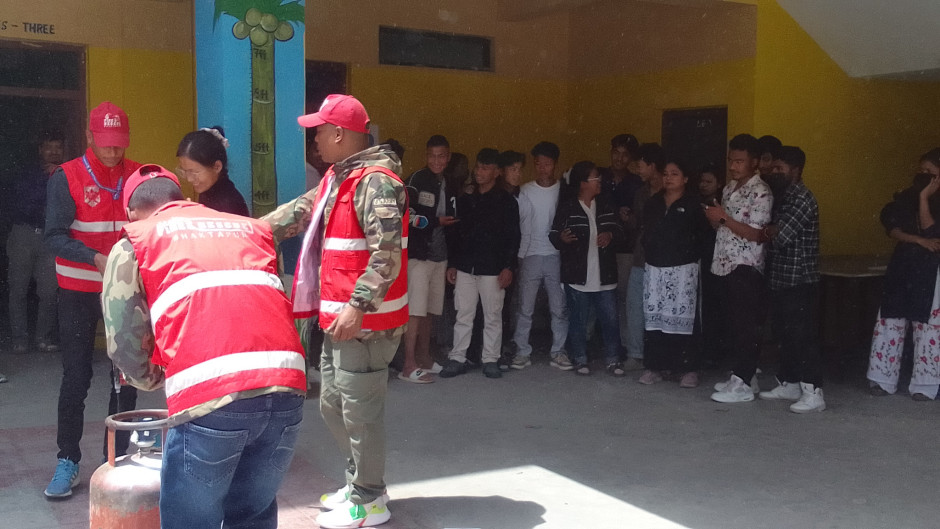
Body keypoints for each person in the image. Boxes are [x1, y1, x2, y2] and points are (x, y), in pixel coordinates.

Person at [103, 165, 306, 528]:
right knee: (253, 514)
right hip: (286, 385)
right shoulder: (248, 228)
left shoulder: (135, 240)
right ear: (183, 199)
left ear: (131, 213)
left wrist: (150, 379)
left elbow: (122, 341)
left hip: (211, 395)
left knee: (191, 521)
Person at [262, 94, 407, 528]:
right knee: (332, 404)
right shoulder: (339, 177)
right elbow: (299, 211)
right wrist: (247, 231)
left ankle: (369, 498)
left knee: (360, 414)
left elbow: (386, 256)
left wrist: (358, 306)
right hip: (338, 320)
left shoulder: (377, 184)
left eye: (319, 132)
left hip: (366, 324)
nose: (315, 141)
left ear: (340, 134)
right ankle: (361, 480)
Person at [43, 101, 141, 498]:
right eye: (105, 143)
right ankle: (67, 460)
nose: (113, 151)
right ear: (89, 137)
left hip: (124, 293)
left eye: (119, 143)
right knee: (76, 375)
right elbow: (53, 237)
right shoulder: (67, 177)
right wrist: (94, 258)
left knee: (126, 376)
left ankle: (116, 459)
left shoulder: (139, 175)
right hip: (78, 292)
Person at [440, 148, 520, 379]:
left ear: (497, 172)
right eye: (478, 167)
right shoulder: (466, 200)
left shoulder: (506, 202)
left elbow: (513, 237)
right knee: (463, 314)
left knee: (492, 316)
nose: (479, 172)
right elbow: (456, 235)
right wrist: (453, 263)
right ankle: (457, 358)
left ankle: (491, 359)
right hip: (466, 266)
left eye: (485, 168)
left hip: (493, 268)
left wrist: (508, 267)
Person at [867, 148, 940, 401]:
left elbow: (932, 233)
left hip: (931, 270)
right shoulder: (905, 197)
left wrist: (924, 199)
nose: (923, 175)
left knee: (927, 326)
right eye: (921, 170)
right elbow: (892, 227)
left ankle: (925, 386)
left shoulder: (924, 197)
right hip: (903, 265)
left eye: (930, 171)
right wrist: (917, 240)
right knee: (891, 320)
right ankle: (882, 380)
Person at [706, 134, 774, 403]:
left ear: (754, 162)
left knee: (746, 326)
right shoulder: (728, 189)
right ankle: (744, 376)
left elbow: (757, 234)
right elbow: (724, 226)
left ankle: (743, 383)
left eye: (739, 161)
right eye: (730, 160)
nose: (733, 166)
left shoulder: (761, 192)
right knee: (733, 325)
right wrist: (715, 220)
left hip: (746, 265)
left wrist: (723, 218)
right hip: (723, 262)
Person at [758, 146, 825, 412]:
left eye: (780, 168)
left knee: (802, 337)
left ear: (795, 170)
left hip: (799, 280)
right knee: (784, 335)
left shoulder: (802, 199)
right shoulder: (783, 196)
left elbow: (781, 236)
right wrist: (769, 230)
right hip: (780, 279)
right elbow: (771, 231)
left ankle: (813, 391)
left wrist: (768, 231)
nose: (774, 172)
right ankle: (790, 383)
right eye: (773, 167)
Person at [550, 161, 624, 375]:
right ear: (583, 183)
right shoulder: (568, 207)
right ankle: (580, 359)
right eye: (595, 178)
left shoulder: (606, 204)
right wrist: (562, 238)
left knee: (610, 320)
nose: (599, 181)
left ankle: (613, 359)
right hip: (577, 276)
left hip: (605, 275)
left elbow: (620, 231)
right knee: (578, 320)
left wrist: (610, 235)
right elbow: (553, 235)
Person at [638, 157, 707, 387]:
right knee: (656, 318)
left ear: (685, 178)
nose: (668, 178)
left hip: (683, 271)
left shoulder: (694, 205)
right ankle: (655, 367)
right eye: (666, 174)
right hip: (655, 269)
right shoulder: (654, 203)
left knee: (683, 319)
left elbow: (703, 237)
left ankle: (687, 369)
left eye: (674, 173)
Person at [401, 134, 457, 383]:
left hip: (440, 255)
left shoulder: (450, 182)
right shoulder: (416, 180)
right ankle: (408, 364)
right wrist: (435, 222)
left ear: (448, 157)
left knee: (430, 311)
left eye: (441, 156)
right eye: (432, 156)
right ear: (426, 156)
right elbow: (406, 215)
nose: (436, 161)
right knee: (415, 310)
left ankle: (424, 357)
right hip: (419, 255)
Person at [511, 142, 570, 371]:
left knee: (559, 307)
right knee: (525, 308)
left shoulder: (563, 191)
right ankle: (522, 352)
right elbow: (519, 225)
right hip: (530, 255)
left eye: (547, 164)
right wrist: (520, 256)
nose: (542, 168)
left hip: (556, 255)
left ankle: (559, 351)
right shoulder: (525, 190)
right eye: (538, 164)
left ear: (555, 164)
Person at [8, 129, 63, 354]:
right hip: (24, 232)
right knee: (18, 289)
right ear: (40, 149)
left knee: (49, 291)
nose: (54, 152)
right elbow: (26, 203)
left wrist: (58, 175)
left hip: (51, 236)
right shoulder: (27, 172)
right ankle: (19, 340)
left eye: (58, 148)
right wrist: (48, 179)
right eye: (49, 147)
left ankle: (43, 338)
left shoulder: (67, 172)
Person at [623, 143, 666, 371]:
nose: (638, 170)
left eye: (640, 166)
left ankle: (662, 356)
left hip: (666, 259)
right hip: (641, 255)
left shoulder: (671, 190)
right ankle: (635, 354)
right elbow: (637, 224)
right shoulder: (641, 192)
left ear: (652, 165)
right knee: (634, 305)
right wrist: (627, 218)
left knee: (663, 308)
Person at [599, 134, 643, 353]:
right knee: (598, 294)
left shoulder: (636, 183)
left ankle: (624, 344)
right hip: (598, 247)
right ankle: (595, 342)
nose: (619, 158)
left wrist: (629, 217)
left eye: (625, 155)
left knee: (624, 297)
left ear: (631, 159)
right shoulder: (598, 177)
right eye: (616, 152)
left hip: (625, 248)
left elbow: (640, 217)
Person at [176, 127, 250, 216]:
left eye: (194, 172)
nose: (189, 179)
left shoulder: (228, 205)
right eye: (185, 171)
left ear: (217, 167)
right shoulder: (207, 191)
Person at [697, 163, 726, 368]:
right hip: (702, 259)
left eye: (709, 181)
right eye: (702, 181)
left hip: (720, 259)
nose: (704, 185)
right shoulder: (695, 203)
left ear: (719, 184)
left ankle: (717, 352)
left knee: (718, 306)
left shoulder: (723, 204)